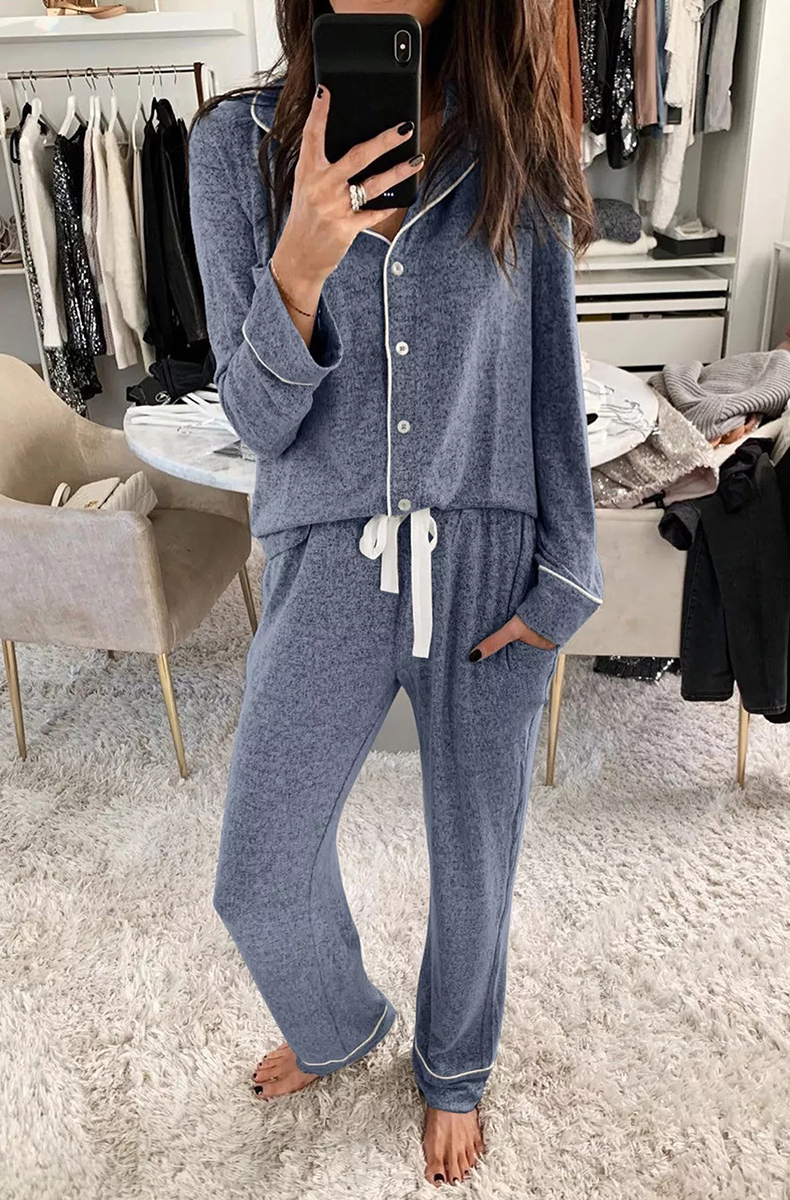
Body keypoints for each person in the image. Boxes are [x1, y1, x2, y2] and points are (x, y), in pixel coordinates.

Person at [188, 0, 604, 1187]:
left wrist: (564, 573)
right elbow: (258, 421)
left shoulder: (514, 136)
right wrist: (296, 266)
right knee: (258, 871)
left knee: (474, 856)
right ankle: (339, 1023)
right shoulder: (232, 146)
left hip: (488, 552)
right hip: (326, 556)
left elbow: (551, 371)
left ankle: (454, 1067)